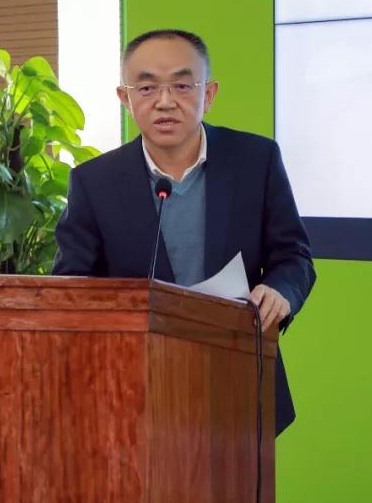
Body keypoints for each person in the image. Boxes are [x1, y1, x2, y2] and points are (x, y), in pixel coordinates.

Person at [52, 29, 315, 434]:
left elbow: (293, 255)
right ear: (125, 98)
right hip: (135, 387)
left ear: (208, 94)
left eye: (181, 85)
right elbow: (72, 284)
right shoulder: (94, 181)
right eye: (147, 87)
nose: (165, 101)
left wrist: (281, 291)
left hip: (237, 376)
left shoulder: (255, 160)